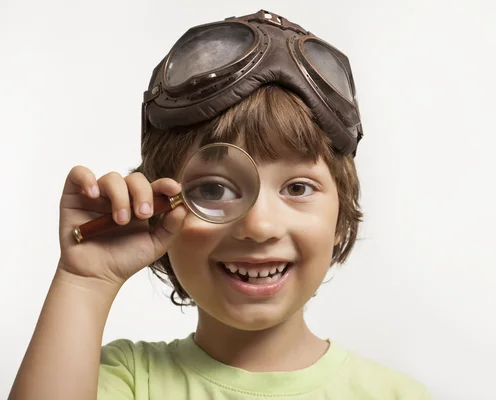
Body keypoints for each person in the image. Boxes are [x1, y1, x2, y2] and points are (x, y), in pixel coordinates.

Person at [9, 10, 430, 400]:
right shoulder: (126, 380)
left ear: (341, 216)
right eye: (213, 190)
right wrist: (86, 282)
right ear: (158, 208)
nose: (259, 225)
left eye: (298, 188)